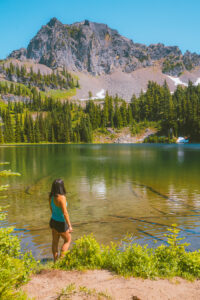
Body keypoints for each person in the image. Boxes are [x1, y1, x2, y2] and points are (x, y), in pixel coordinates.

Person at [49, 178, 73, 262]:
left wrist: (55, 216)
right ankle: (61, 260)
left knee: (55, 242)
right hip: (61, 223)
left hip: (53, 221)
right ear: (61, 187)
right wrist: (69, 225)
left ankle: (55, 261)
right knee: (68, 240)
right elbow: (65, 213)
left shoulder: (51, 196)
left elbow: (51, 209)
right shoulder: (62, 198)